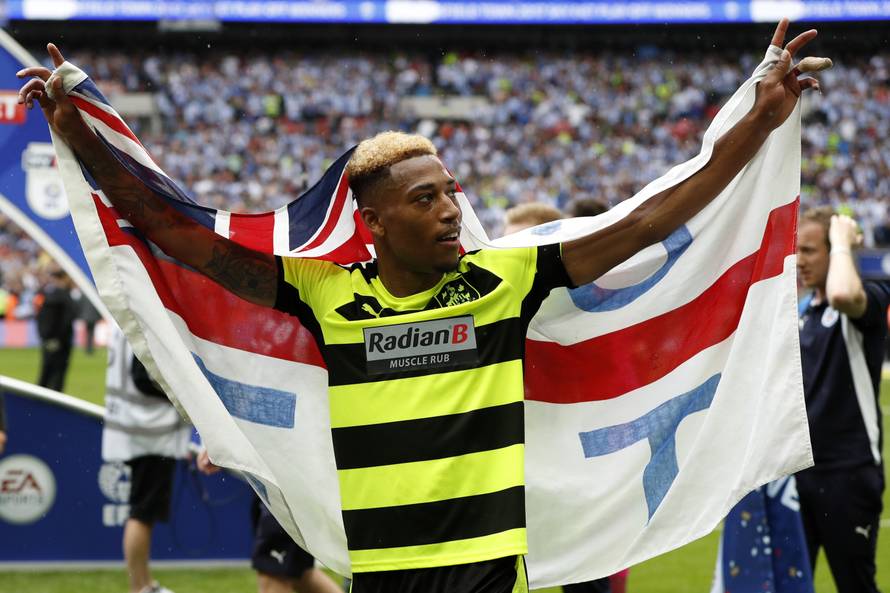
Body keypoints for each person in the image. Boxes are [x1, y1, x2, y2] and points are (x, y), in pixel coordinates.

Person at [19, 20, 825, 593]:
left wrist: (757, 119)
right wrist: (82, 139)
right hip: (378, 569)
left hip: (484, 569)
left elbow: (649, 219)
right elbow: (179, 234)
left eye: (451, 191)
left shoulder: (506, 278)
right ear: (373, 223)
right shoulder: (328, 293)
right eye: (425, 198)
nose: (449, 210)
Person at [795, 207, 886, 593]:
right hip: (799, 473)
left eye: (809, 250)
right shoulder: (802, 313)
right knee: (789, 586)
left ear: (835, 251)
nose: (798, 260)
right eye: (796, 250)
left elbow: (843, 294)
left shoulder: (870, 297)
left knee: (856, 586)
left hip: (848, 475)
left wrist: (844, 242)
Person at [102, 325, 191, 593]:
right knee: (142, 513)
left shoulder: (124, 316)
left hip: (136, 428)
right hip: (150, 432)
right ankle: (140, 586)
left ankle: (143, 584)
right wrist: (186, 395)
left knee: (142, 511)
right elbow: (144, 378)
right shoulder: (141, 316)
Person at [196, 450, 345, 593]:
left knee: (273, 572)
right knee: (297, 572)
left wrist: (225, 443)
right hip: (274, 478)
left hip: (288, 480)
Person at [35, 268, 77, 391]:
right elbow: (66, 319)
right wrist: (54, 338)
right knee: (57, 373)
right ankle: (51, 397)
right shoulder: (63, 297)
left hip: (51, 339)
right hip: (59, 341)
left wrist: (44, 337)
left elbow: (41, 319)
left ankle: (38, 397)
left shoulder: (49, 296)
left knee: (47, 370)